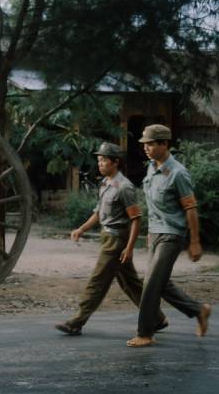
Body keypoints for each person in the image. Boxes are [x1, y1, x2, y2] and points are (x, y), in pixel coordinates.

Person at [55, 142, 166, 336]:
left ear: (115, 162)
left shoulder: (124, 187)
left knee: (97, 282)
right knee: (130, 283)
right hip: (108, 237)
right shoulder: (106, 184)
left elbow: (135, 219)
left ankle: (77, 321)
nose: (100, 164)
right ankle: (156, 317)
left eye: (104, 160)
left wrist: (129, 247)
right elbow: (98, 214)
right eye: (99, 160)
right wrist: (81, 229)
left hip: (116, 241)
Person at [126, 124, 212, 347]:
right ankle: (199, 310)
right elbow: (153, 206)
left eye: (151, 144)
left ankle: (145, 332)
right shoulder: (152, 168)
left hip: (172, 235)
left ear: (164, 144)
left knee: (151, 283)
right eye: (145, 144)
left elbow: (191, 209)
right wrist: (149, 232)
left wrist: (194, 242)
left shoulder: (178, 173)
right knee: (161, 283)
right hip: (156, 233)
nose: (146, 148)